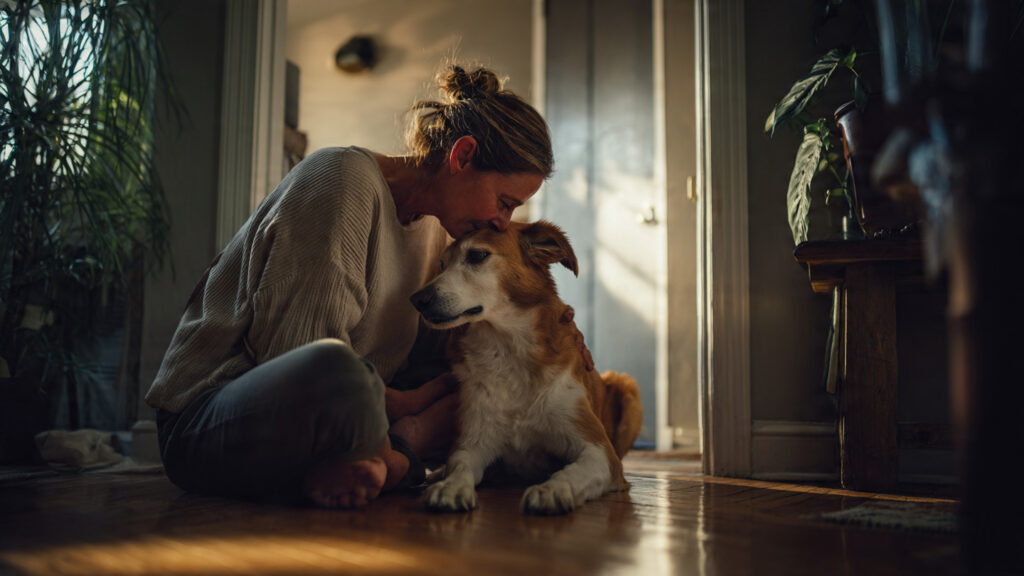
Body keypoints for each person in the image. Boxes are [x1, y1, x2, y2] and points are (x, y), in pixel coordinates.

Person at [145, 65, 562, 508]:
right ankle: (400, 458)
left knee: (483, 377)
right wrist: (408, 409)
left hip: (350, 421)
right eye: (504, 202)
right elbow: (293, 350)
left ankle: (366, 462)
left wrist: (554, 334)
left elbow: (435, 355)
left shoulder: (441, 236)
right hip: (213, 419)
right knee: (338, 371)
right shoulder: (340, 179)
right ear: (461, 157)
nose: (503, 222)